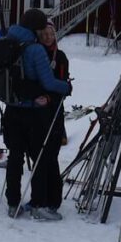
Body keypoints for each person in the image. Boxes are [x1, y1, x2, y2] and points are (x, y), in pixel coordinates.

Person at [2, 8, 73, 220]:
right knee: (39, 157)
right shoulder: (34, 49)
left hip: (11, 107)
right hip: (32, 111)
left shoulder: (8, 41)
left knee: (15, 157)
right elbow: (48, 82)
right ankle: (39, 203)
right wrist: (66, 88)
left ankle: (13, 202)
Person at [42, 18, 71, 146]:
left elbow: (63, 79)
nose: (48, 38)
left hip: (55, 101)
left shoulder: (60, 56)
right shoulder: (37, 53)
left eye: (51, 34)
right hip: (40, 101)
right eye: (45, 34)